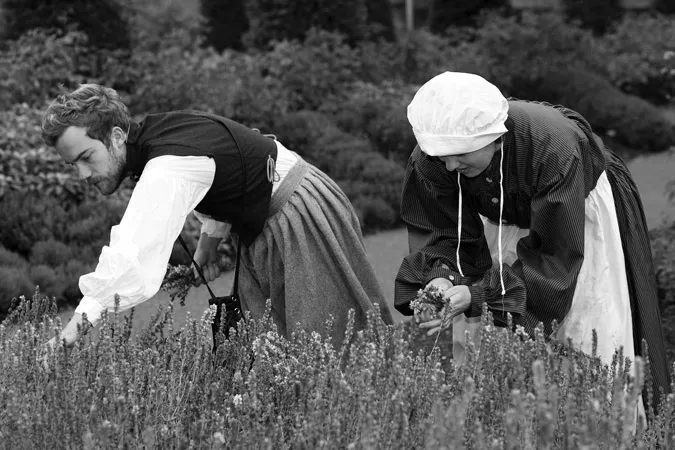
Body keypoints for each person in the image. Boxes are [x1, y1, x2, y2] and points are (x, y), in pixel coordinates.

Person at [40, 83, 393, 348]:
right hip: (269, 220)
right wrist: (208, 247)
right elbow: (227, 170)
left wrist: (72, 330)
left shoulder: (166, 164)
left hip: (297, 214)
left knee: (331, 344)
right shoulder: (158, 136)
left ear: (116, 137)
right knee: (270, 350)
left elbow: (131, 252)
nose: (83, 175)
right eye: (74, 165)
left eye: (87, 157)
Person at [394, 71, 669, 410]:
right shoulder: (433, 156)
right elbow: (440, 230)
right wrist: (440, 277)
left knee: (587, 335)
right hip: (502, 211)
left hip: (575, 213)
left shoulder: (553, 146)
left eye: (460, 152)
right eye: (440, 154)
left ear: (496, 137)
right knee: (490, 346)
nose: (449, 165)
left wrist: (479, 294)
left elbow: (555, 257)